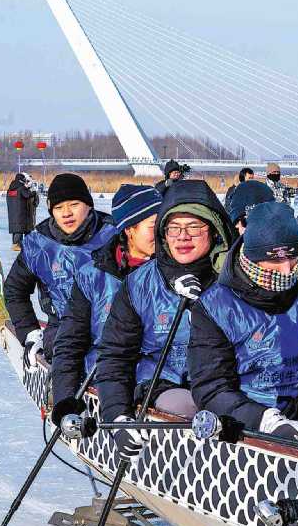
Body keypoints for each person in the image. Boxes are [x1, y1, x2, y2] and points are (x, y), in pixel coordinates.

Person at [96, 180, 234, 462]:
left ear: (214, 229)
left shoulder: (236, 278)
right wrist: (118, 417)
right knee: (189, 407)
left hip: (228, 387)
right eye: (174, 228)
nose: (183, 237)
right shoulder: (139, 284)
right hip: (167, 384)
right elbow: (115, 357)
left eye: (194, 226)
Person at [187, 201, 298, 441]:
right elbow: (212, 386)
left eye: (293, 257)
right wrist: (264, 420)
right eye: (275, 260)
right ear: (252, 258)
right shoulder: (214, 306)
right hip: (252, 420)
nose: (287, 270)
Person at [50, 184, 161, 414]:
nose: (164, 234)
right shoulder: (92, 276)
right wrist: (65, 401)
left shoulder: (172, 271)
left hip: (159, 382)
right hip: (105, 379)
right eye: (154, 226)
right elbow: (70, 342)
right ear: (129, 229)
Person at [4, 173, 116, 368]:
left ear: (88, 205)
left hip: (114, 331)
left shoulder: (114, 235)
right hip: (61, 334)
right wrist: (30, 332)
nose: (66, 213)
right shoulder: (38, 244)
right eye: (58, 208)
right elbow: (14, 290)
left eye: (74, 204)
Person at [5, 173, 39, 251]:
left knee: (16, 229)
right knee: (20, 228)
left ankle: (15, 244)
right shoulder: (21, 188)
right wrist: (34, 192)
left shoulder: (10, 190)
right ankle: (17, 245)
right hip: (21, 212)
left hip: (12, 213)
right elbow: (27, 195)